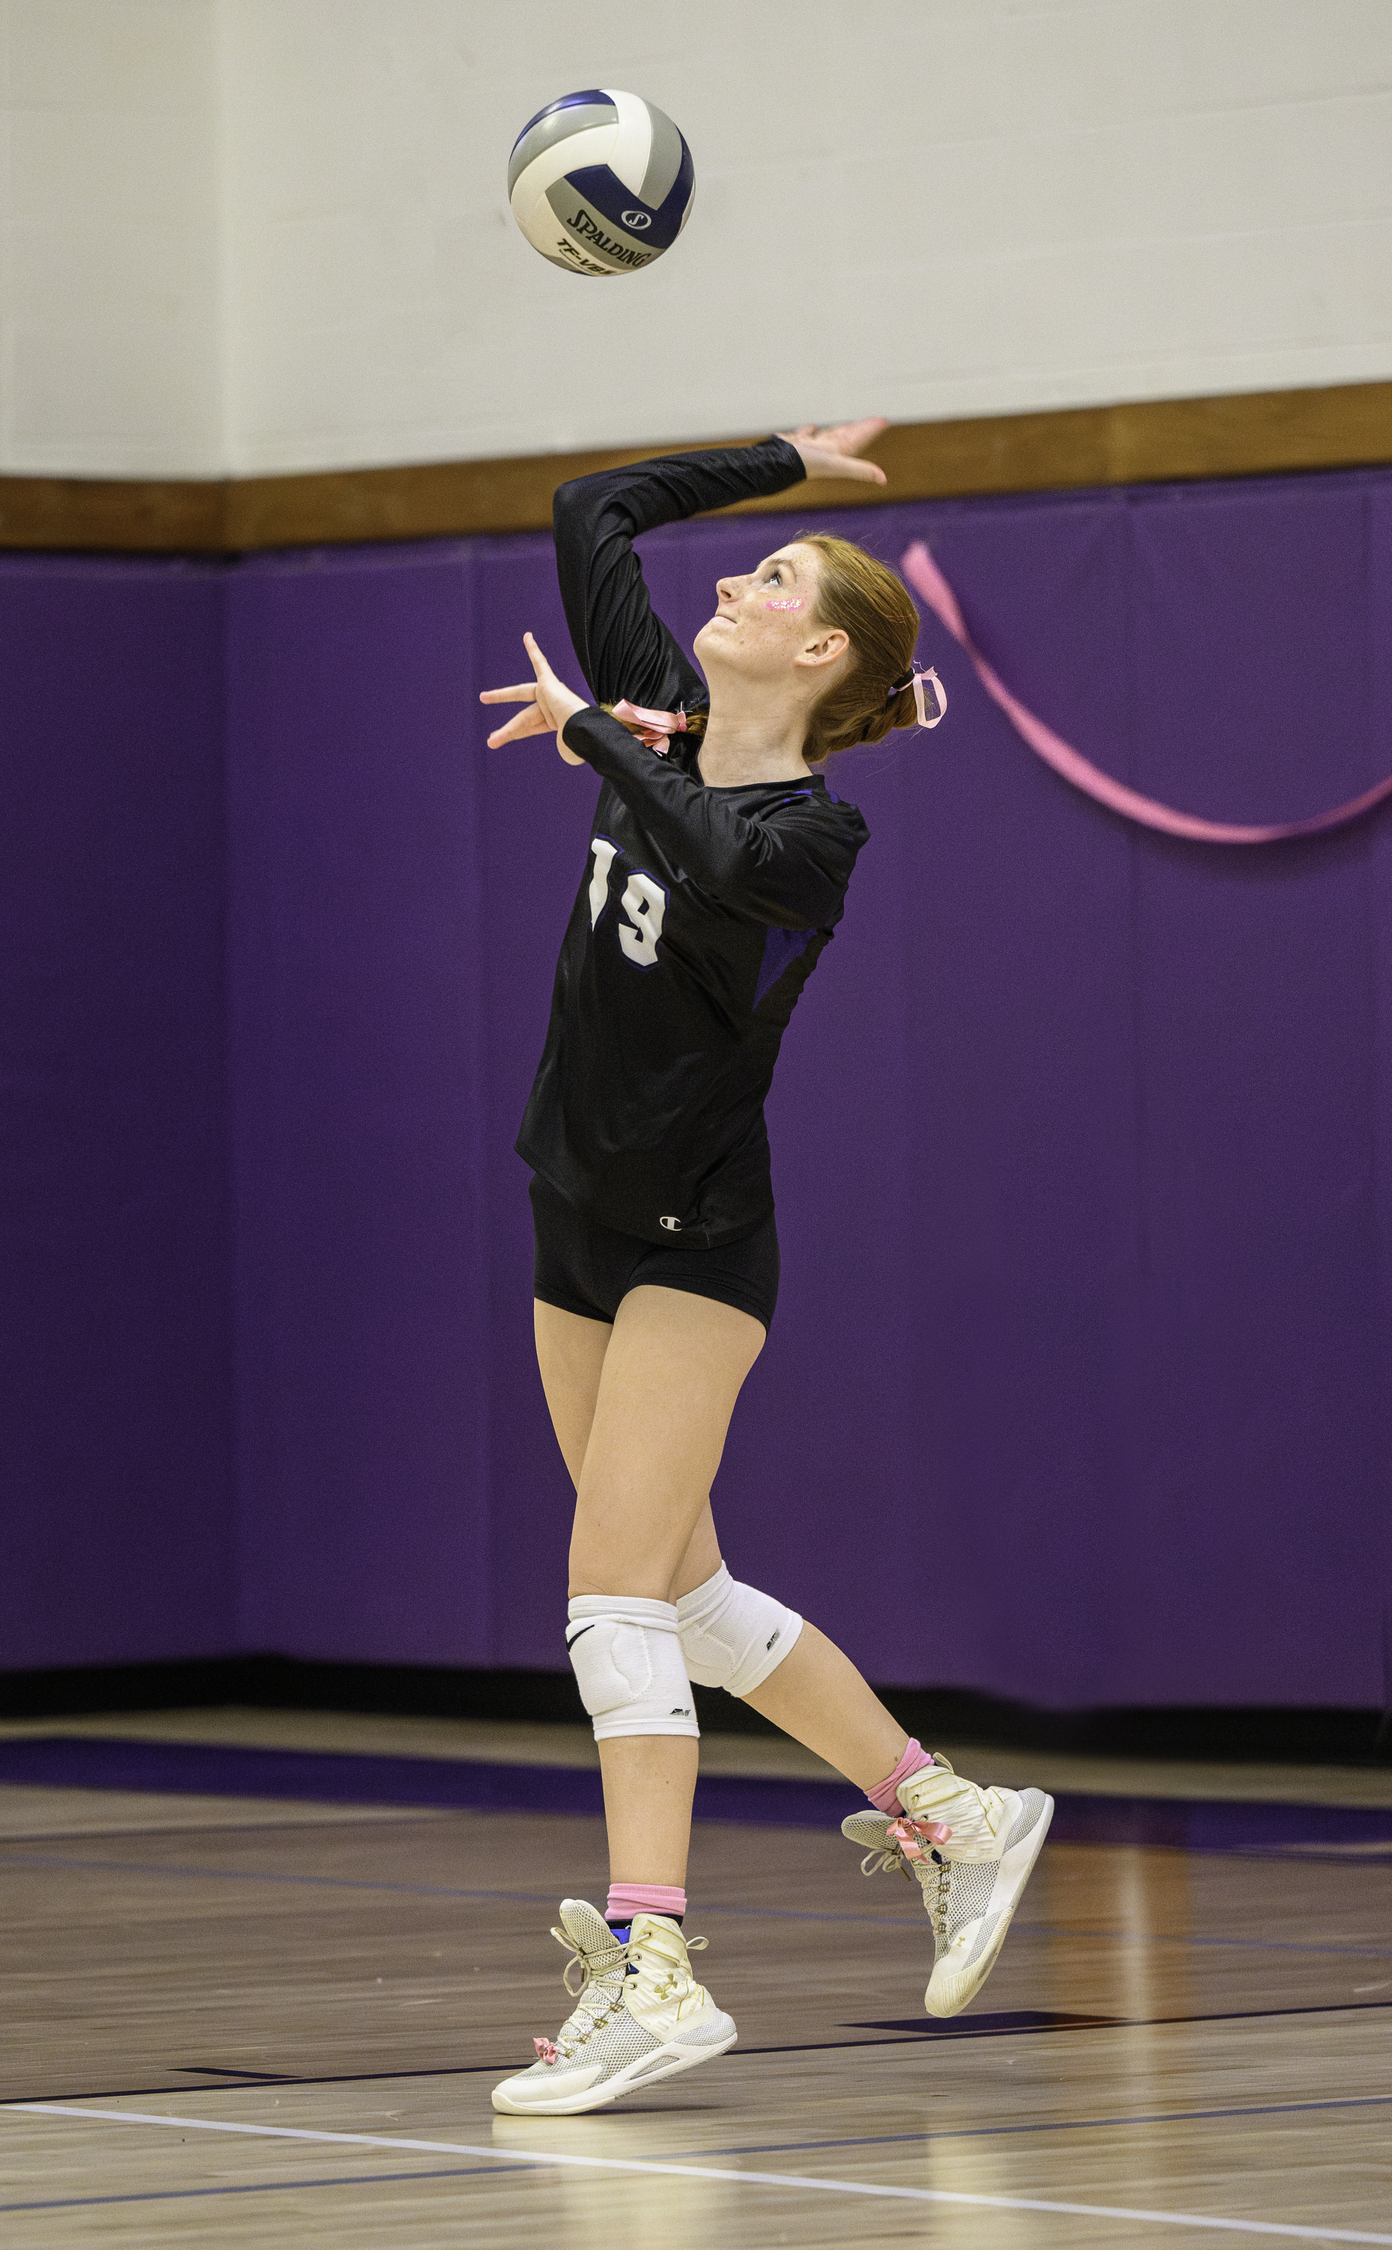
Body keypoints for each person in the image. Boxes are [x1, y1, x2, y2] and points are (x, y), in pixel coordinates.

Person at [479, 422, 1052, 2118]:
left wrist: (603, 729)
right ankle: (948, 1807)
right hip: (572, 1204)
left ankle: (653, 1966)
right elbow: (599, 506)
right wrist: (785, 460)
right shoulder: (659, 696)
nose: (736, 577)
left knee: (610, 1598)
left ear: (823, 659)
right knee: (693, 1598)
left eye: (778, 577)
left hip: (698, 1244)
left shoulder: (817, 834)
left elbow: (722, 857)